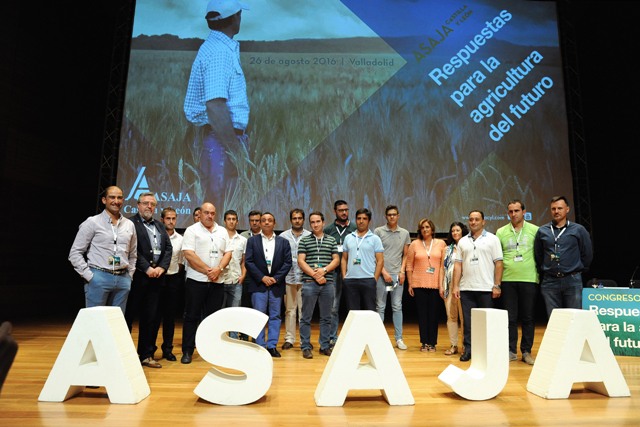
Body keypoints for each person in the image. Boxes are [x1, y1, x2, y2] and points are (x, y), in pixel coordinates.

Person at [183, 0, 250, 198]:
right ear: (235, 17)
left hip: (219, 138)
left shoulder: (215, 47)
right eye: (239, 14)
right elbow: (215, 105)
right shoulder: (219, 52)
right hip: (221, 140)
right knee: (220, 201)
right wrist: (235, 150)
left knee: (221, 201)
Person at [69, 186, 137, 314]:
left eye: (119, 198)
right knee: (95, 321)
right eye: (112, 197)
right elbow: (75, 252)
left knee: (116, 322)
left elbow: (133, 254)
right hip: (99, 277)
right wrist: (90, 276)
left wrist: (129, 276)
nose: (116, 201)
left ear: (123, 200)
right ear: (104, 200)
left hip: (123, 279)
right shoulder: (92, 222)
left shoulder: (129, 224)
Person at [125, 192, 173, 368]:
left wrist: (161, 268)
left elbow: (168, 249)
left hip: (156, 280)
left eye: (152, 204)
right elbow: (131, 250)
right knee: (127, 318)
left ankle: (146, 355)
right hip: (137, 278)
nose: (149, 207)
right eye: (145, 203)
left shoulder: (159, 226)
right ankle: (123, 356)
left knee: (150, 318)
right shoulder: (130, 223)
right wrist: (147, 268)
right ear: (138, 205)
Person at [180, 202, 232, 364]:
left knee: (213, 318)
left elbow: (228, 253)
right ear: (200, 214)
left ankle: (211, 350)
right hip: (196, 280)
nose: (210, 216)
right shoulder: (191, 230)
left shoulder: (222, 231)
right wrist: (208, 270)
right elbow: (189, 254)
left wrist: (218, 269)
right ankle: (187, 351)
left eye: (212, 213)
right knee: (191, 316)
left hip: (217, 281)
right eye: (206, 213)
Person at [452, 210, 504, 362]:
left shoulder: (493, 239)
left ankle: (487, 351)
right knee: (468, 324)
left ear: (483, 221)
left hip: (486, 288)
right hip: (466, 289)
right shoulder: (462, 241)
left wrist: (497, 285)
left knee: (486, 323)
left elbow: (499, 263)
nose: (473, 222)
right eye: (471, 219)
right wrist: (455, 286)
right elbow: (458, 265)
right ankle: (468, 350)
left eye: (476, 219)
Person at [534, 196, 593, 318]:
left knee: (574, 318)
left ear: (567, 209)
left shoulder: (578, 229)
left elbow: (587, 253)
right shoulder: (542, 231)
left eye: (560, 208)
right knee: (554, 319)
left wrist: (578, 269)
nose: (556, 211)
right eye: (553, 209)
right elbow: (538, 254)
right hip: (550, 281)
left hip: (572, 280)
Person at [496, 200, 540, 365]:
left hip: (529, 278)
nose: (513, 214)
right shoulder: (501, 232)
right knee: (510, 318)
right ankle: (511, 351)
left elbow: (540, 254)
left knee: (528, 317)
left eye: (516, 211)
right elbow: (498, 258)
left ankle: (526, 351)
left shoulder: (535, 230)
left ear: (524, 212)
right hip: (508, 279)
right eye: (511, 211)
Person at [244, 212, 292, 357]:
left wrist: (275, 278)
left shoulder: (283, 242)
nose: (266, 222)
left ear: (274, 223)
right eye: (263, 220)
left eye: (269, 220)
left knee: (275, 316)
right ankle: (260, 346)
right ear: (260, 223)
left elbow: (287, 263)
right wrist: (262, 277)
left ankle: (272, 346)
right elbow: (248, 262)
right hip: (258, 284)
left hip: (276, 285)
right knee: (259, 315)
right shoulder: (252, 241)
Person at [297, 212, 341, 359]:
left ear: (323, 222)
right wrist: (315, 274)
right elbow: (301, 261)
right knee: (306, 317)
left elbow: (336, 260)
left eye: (318, 221)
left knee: (326, 317)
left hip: (327, 283)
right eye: (312, 222)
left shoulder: (331, 240)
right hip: (309, 283)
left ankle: (324, 346)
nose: (315, 224)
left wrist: (324, 270)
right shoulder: (304, 240)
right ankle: (305, 346)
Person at [374, 205, 411, 350]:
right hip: (381, 274)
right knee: (380, 306)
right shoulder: (378, 231)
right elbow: (375, 254)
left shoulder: (405, 233)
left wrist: (402, 272)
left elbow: (405, 255)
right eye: (389, 214)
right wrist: (383, 272)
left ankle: (399, 338)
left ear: (398, 216)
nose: (392, 217)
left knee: (397, 306)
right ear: (385, 216)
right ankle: (378, 339)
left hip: (397, 275)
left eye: (394, 214)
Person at [407, 218, 446, 352]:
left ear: (432, 229)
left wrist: (442, 285)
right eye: (422, 227)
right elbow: (409, 265)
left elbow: (443, 266)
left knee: (434, 315)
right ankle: (424, 342)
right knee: (422, 315)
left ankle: (432, 343)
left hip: (435, 284)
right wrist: (410, 284)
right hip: (419, 284)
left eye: (427, 227)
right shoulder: (414, 244)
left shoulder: (441, 244)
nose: (425, 229)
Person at [152, 206, 185, 362]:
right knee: (154, 316)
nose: (171, 221)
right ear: (162, 220)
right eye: (168, 218)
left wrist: (176, 275)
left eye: (173, 218)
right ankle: (150, 350)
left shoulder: (181, 239)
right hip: (156, 278)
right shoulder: (155, 236)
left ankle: (167, 349)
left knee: (170, 317)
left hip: (173, 279)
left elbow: (181, 261)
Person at [323, 200, 356, 348]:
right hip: (333, 273)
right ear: (335, 211)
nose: (344, 213)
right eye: (341, 210)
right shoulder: (329, 229)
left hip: (352, 272)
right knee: (333, 307)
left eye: (346, 210)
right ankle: (332, 338)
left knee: (353, 307)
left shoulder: (355, 228)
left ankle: (353, 338)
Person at [279, 209, 311, 350]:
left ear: (303, 219)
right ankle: (289, 339)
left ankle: (304, 340)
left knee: (304, 312)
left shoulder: (310, 236)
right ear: (291, 220)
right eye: (294, 218)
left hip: (305, 278)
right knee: (290, 310)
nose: (297, 220)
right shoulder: (283, 236)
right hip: (288, 278)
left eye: (299, 218)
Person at [341, 208, 384, 311]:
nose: (361, 221)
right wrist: (344, 277)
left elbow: (380, 261)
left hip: (368, 279)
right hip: (350, 280)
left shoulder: (375, 239)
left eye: (364, 219)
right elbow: (344, 259)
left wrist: (374, 279)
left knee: (370, 311)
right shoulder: (348, 237)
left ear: (369, 221)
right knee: (352, 312)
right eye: (359, 218)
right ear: (355, 220)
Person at [439, 221, 468, 356]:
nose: (455, 233)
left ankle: (466, 346)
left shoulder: (467, 246)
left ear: (463, 231)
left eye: (457, 230)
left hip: (464, 286)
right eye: (453, 231)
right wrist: (441, 285)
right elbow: (442, 268)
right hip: (449, 287)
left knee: (464, 317)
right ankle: (453, 345)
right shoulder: (447, 249)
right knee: (451, 317)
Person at [221, 209, 247, 339]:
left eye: (233, 219)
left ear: (237, 221)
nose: (231, 221)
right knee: (219, 313)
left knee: (235, 313)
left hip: (236, 280)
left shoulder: (243, 240)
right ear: (224, 221)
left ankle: (233, 340)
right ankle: (219, 339)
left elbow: (244, 261)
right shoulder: (219, 237)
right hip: (220, 280)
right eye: (229, 219)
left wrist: (243, 276)